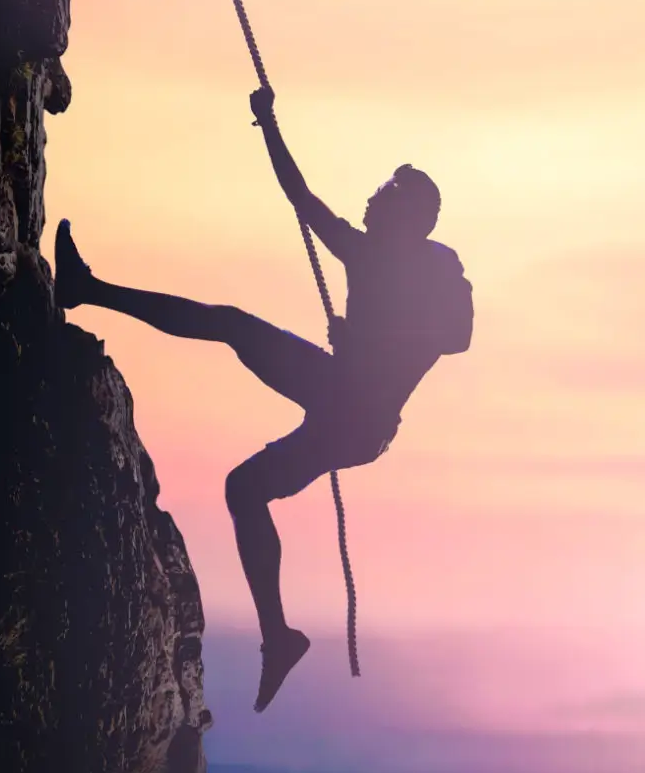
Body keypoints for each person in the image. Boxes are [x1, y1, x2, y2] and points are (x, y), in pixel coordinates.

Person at [53, 86, 473, 712]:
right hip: (348, 403)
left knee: (233, 332)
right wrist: (267, 122)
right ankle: (278, 639)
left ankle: (87, 289)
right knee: (242, 479)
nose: (368, 198)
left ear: (406, 215)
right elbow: (300, 197)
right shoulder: (368, 252)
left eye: (382, 193)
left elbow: (455, 337)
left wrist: (373, 340)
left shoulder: (425, 266)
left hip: (356, 414)